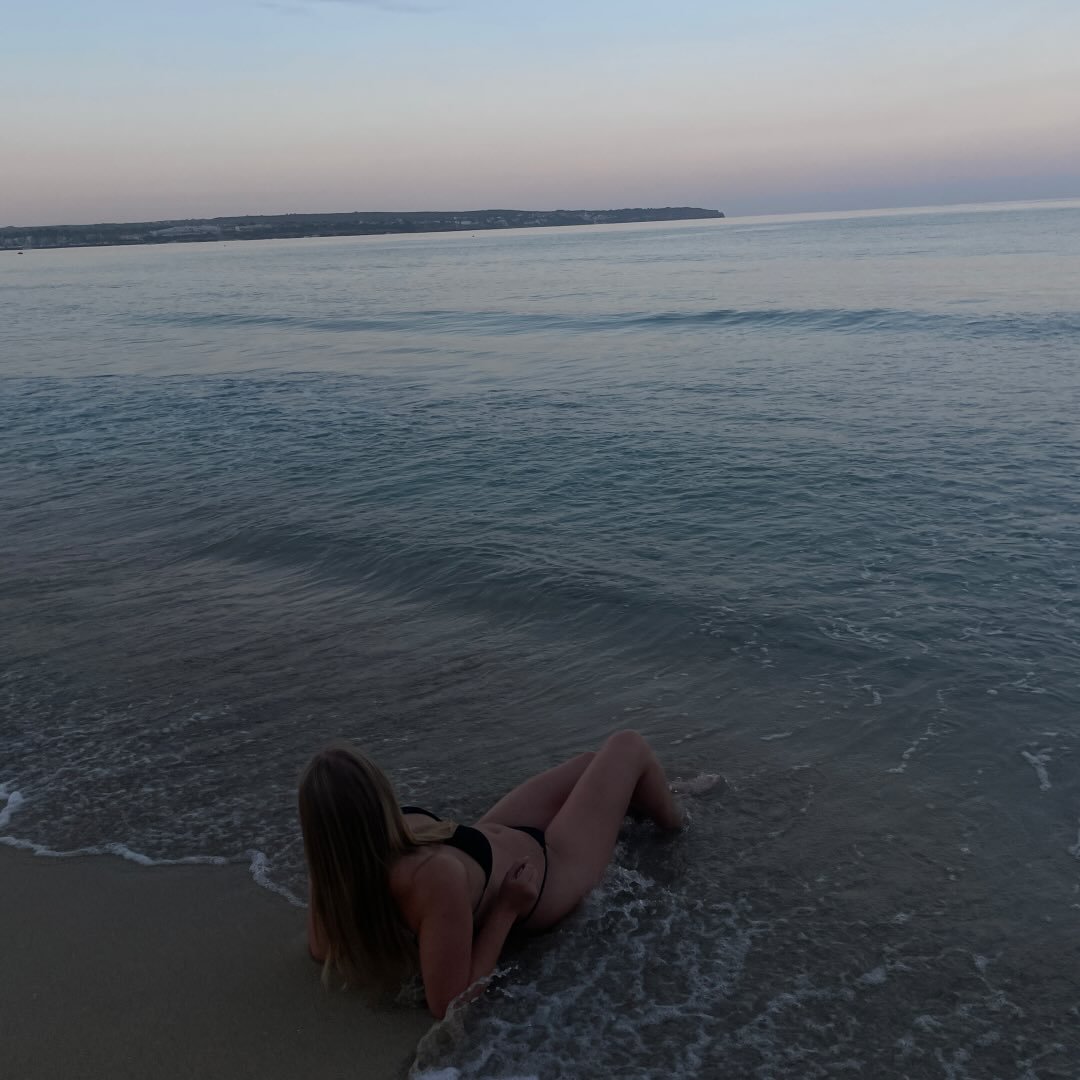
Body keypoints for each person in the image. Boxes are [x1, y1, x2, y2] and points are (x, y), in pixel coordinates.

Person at [298, 729, 684, 1018]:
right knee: (628, 746)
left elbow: (320, 948)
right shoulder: (432, 878)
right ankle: (679, 822)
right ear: (377, 796)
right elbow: (448, 1003)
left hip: (493, 841)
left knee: (590, 764)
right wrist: (507, 909)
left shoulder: (337, 870)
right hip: (550, 868)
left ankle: (652, 796)